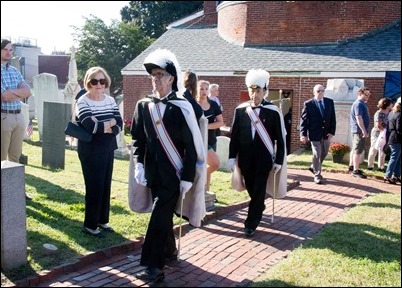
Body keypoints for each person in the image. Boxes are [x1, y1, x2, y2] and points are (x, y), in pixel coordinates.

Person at [130, 48, 206, 282]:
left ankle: (154, 265)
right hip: (152, 172)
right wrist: (139, 165)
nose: (156, 79)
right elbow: (137, 139)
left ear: (172, 78)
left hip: (175, 173)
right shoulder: (144, 106)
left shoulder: (183, 106)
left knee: (160, 213)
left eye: (161, 74)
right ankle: (170, 250)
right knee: (162, 213)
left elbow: (192, 146)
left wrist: (187, 177)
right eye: (153, 75)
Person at [228, 69, 286, 237]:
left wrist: (279, 160)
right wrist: (232, 157)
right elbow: (235, 137)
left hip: (264, 159)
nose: (255, 94)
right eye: (252, 90)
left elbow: (279, 139)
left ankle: (250, 224)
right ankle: (259, 205)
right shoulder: (240, 111)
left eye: (258, 91)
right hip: (245, 159)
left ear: (264, 91)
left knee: (259, 188)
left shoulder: (273, 111)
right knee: (252, 188)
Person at [76, 66, 123, 237]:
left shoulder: (110, 100)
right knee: (94, 186)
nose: (99, 85)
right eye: (95, 81)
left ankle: (102, 220)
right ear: (88, 82)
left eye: (102, 81)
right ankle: (89, 225)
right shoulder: (82, 101)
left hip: (108, 147)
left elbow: (119, 123)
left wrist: (106, 124)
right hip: (90, 150)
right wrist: (108, 123)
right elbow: (90, 125)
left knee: (105, 185)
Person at [1, 39, 33, 200]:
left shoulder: (14, 70)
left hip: (18, 116)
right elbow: (4, 96)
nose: (8, 52)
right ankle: (3, 192)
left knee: (15, 156)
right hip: (3, 116)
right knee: (1, 157)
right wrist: (17, 92)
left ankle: (16, 189)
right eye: (5, 49)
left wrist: (12, 92)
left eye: (10, 50)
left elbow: (28, 91)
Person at [299, 84, 336, 184]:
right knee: (317, 154)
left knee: (324, 153)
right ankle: (317, 175)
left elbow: (333, 117)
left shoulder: (329, 102)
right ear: (314, 92)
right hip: (314, 133)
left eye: (322, 91)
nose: (320, 93)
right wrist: (303, 134)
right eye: (318, 91)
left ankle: (313, 167)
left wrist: (332, 131)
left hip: (326, 133)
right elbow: (304, 120)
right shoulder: (308, 104)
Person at [196, 80, 224, 192]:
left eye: (206, 89)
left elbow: (220, 122)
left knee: (209, 165)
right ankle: (199, 187)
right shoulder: (193, 104)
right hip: (199, 140)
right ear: (197, 89)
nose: (204, 91)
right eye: (201, 88)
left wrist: (205, 126)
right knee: (215, 164)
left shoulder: (213, 104)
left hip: (211, 139)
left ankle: (205, 192)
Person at [349, 86, 371, 178]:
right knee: (358, 151)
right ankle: (355, 171)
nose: (367, 96)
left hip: (357, 130)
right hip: (359, 131)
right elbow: (359, 118)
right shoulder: (358, 104)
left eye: (369, 95)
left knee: (355, 149)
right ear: (360, 93)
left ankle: (351, 166)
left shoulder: (361, 103)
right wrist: (364, 130)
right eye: (366, 94)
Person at [367, 97, 393, 172]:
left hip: (385, 134)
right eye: (391, 103)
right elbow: (378, 125)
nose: (392, 105)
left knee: (383, 150)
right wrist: (383, 132)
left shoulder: (389, 113)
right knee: (374, 149)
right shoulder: (379, 113)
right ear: (387, 105)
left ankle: (381, 167)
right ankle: (370, 165)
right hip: (377, 133)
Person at [383, 97, 401, 184]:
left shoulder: (391, 113)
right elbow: (399, 128)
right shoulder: (399, 114)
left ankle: (397, 175)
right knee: (394, 157)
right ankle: (388, 175)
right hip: (397, 138)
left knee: (397, 157)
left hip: (392, 137)